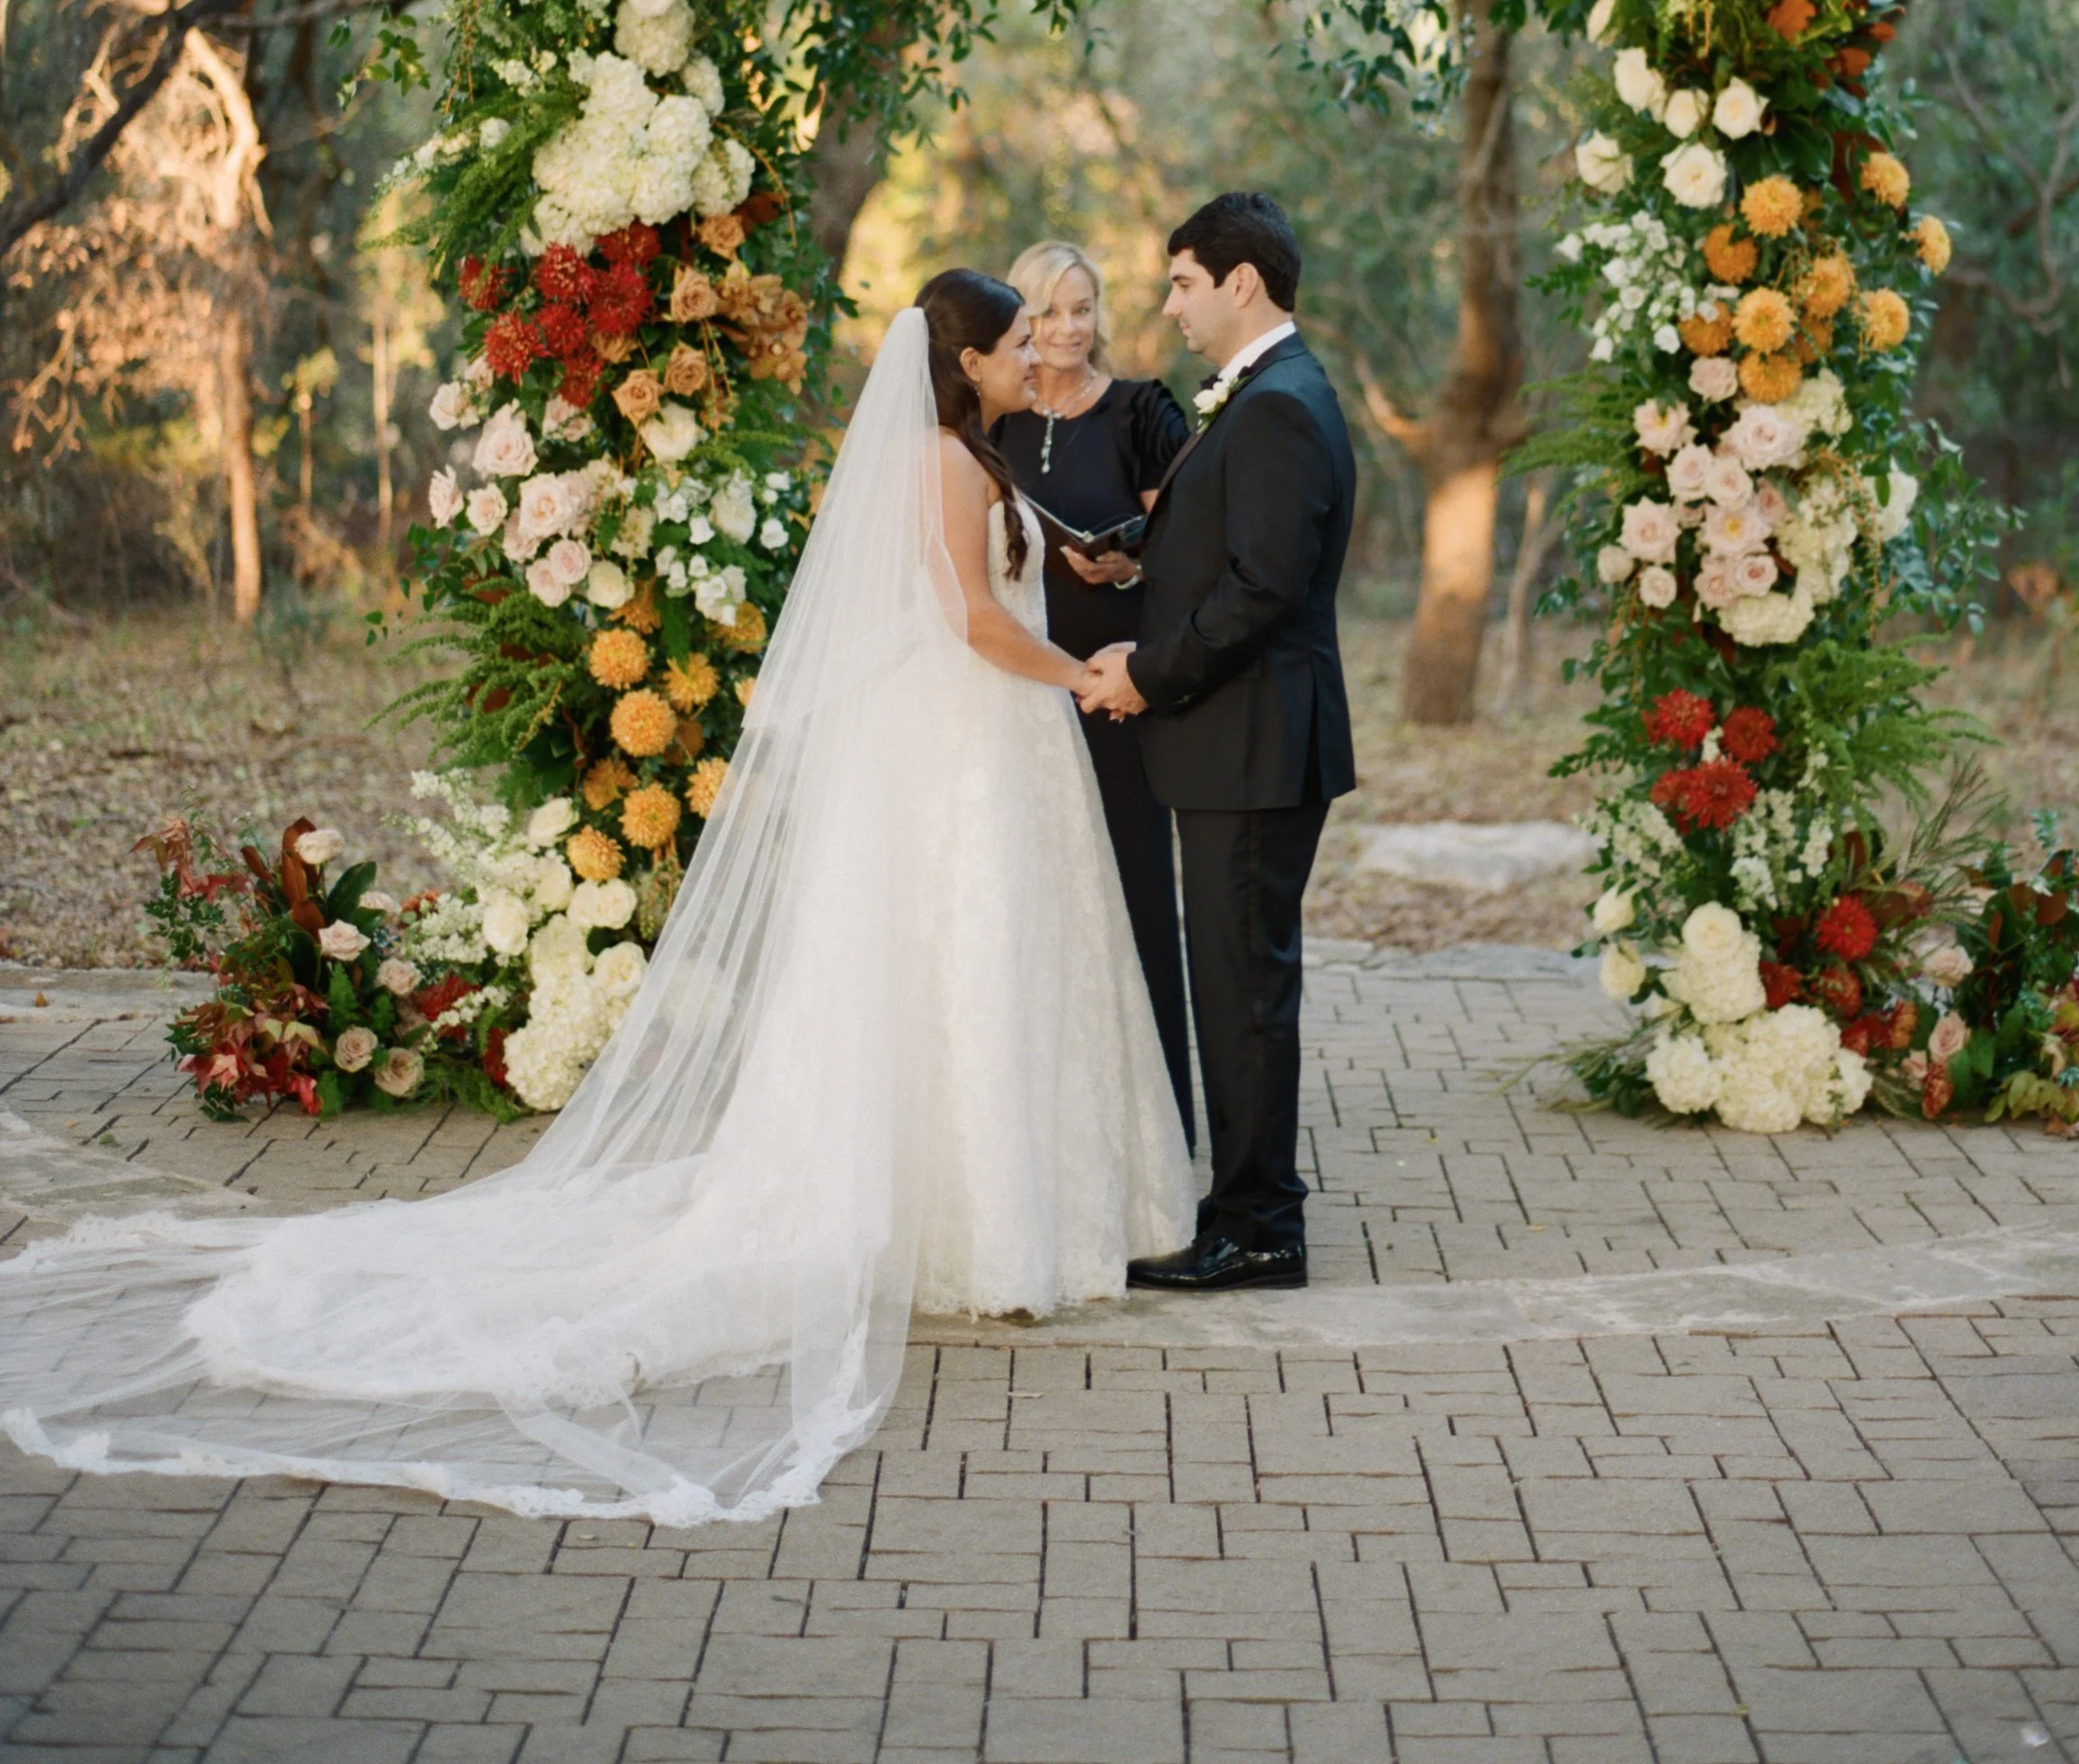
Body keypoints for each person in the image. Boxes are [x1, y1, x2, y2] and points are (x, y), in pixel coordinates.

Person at [0, 275, 1193, 1526]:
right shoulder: (948, 461)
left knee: (989, 966)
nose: (1028, 360)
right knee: (966, 962)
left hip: (988, 749)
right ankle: (976, 1226)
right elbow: (963, 618)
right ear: (967, 360)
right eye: (1010, 345)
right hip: (974, 741)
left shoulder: (974, 457)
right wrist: (1078, 675)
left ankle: (1002, 1211)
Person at [1079, 192, 1357, 1294]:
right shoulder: (1266, 396)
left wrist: (1147, 671)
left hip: (1253, 744)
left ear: (1241, 282)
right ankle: (1244, 1202)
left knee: (1242, 990)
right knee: (1239, 981)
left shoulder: (1282, 403)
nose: (1169, 304)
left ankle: (1259, 1228)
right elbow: (1233, 539)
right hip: (1244, 742)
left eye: (1182, 282)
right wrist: (1139, 553)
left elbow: (1262, 586)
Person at [990, 239, 1196, 1142]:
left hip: (1112, 690)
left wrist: (1124, 565)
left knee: (1134, 893)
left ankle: (1153, 1135)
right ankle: (1041, 1135)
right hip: (1012, 694)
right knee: (1029, 906)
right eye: (1045, 313)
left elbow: (1190, 543)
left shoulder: (1142, 412)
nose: (1068, 329)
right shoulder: (987, 424)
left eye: (1083, 308)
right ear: (1018, 321)